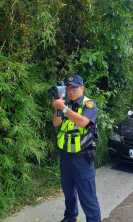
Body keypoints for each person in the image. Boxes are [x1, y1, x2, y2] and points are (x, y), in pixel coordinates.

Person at [52, 75, 101, 222]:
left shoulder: (89, 105)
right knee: (68, 192)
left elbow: (84, 122)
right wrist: (58, 108)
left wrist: (64, 109)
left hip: (83, 158)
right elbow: (55, 123)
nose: (71, 91)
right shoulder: (66, 104)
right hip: (66, 157)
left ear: (82, 88)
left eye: (74, 87)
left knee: (87, 196)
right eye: (68, 88)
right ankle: (70, 218)